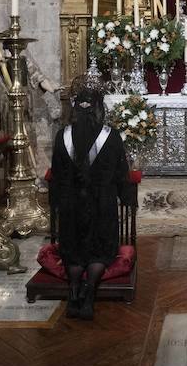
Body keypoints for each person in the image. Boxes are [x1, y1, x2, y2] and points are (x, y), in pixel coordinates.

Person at [48, 86, 131, 320]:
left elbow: (57, 172)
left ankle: (73, 291)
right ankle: (89, 296)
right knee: (99, 251)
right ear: (98, 108)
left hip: (71, 202)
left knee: (74, 251)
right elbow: (120, 171)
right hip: (101, 201)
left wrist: (56, 201)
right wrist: (125, 197)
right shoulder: (111, 135)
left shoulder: (61, 135)